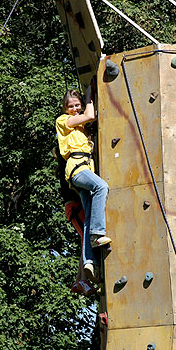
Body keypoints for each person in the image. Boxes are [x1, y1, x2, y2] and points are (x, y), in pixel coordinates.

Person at [55, 86, 111, 282]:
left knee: (87, 216)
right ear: (65, 108)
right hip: (77, 167)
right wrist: (88, 98)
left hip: (85, 167)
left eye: (77, 105)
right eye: (70, 106)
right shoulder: (63, 121)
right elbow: (90, 114)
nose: (74, 109)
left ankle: (89, 261)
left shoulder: (80, 128)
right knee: (101, 187)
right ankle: (97, 234)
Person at [52, 146, 96, 296]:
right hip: (75, 206)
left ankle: (80, 281)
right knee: (86, 239)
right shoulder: (68, 168)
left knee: (85, 240)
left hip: (73, 207)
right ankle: (82, 279)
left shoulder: (64, 167)